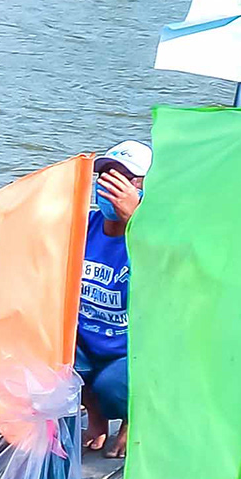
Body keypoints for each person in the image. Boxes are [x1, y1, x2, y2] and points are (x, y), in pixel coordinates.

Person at [77, 140, 144, 451]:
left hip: (132, 353)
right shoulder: (84, 228)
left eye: (125, 180)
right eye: (106, 176)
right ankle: (95, 418)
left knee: (112, 388)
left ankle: (134, 420)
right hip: (86, 341)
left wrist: (138, 220)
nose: (111, 186)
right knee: (45, 361)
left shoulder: (156, 238)